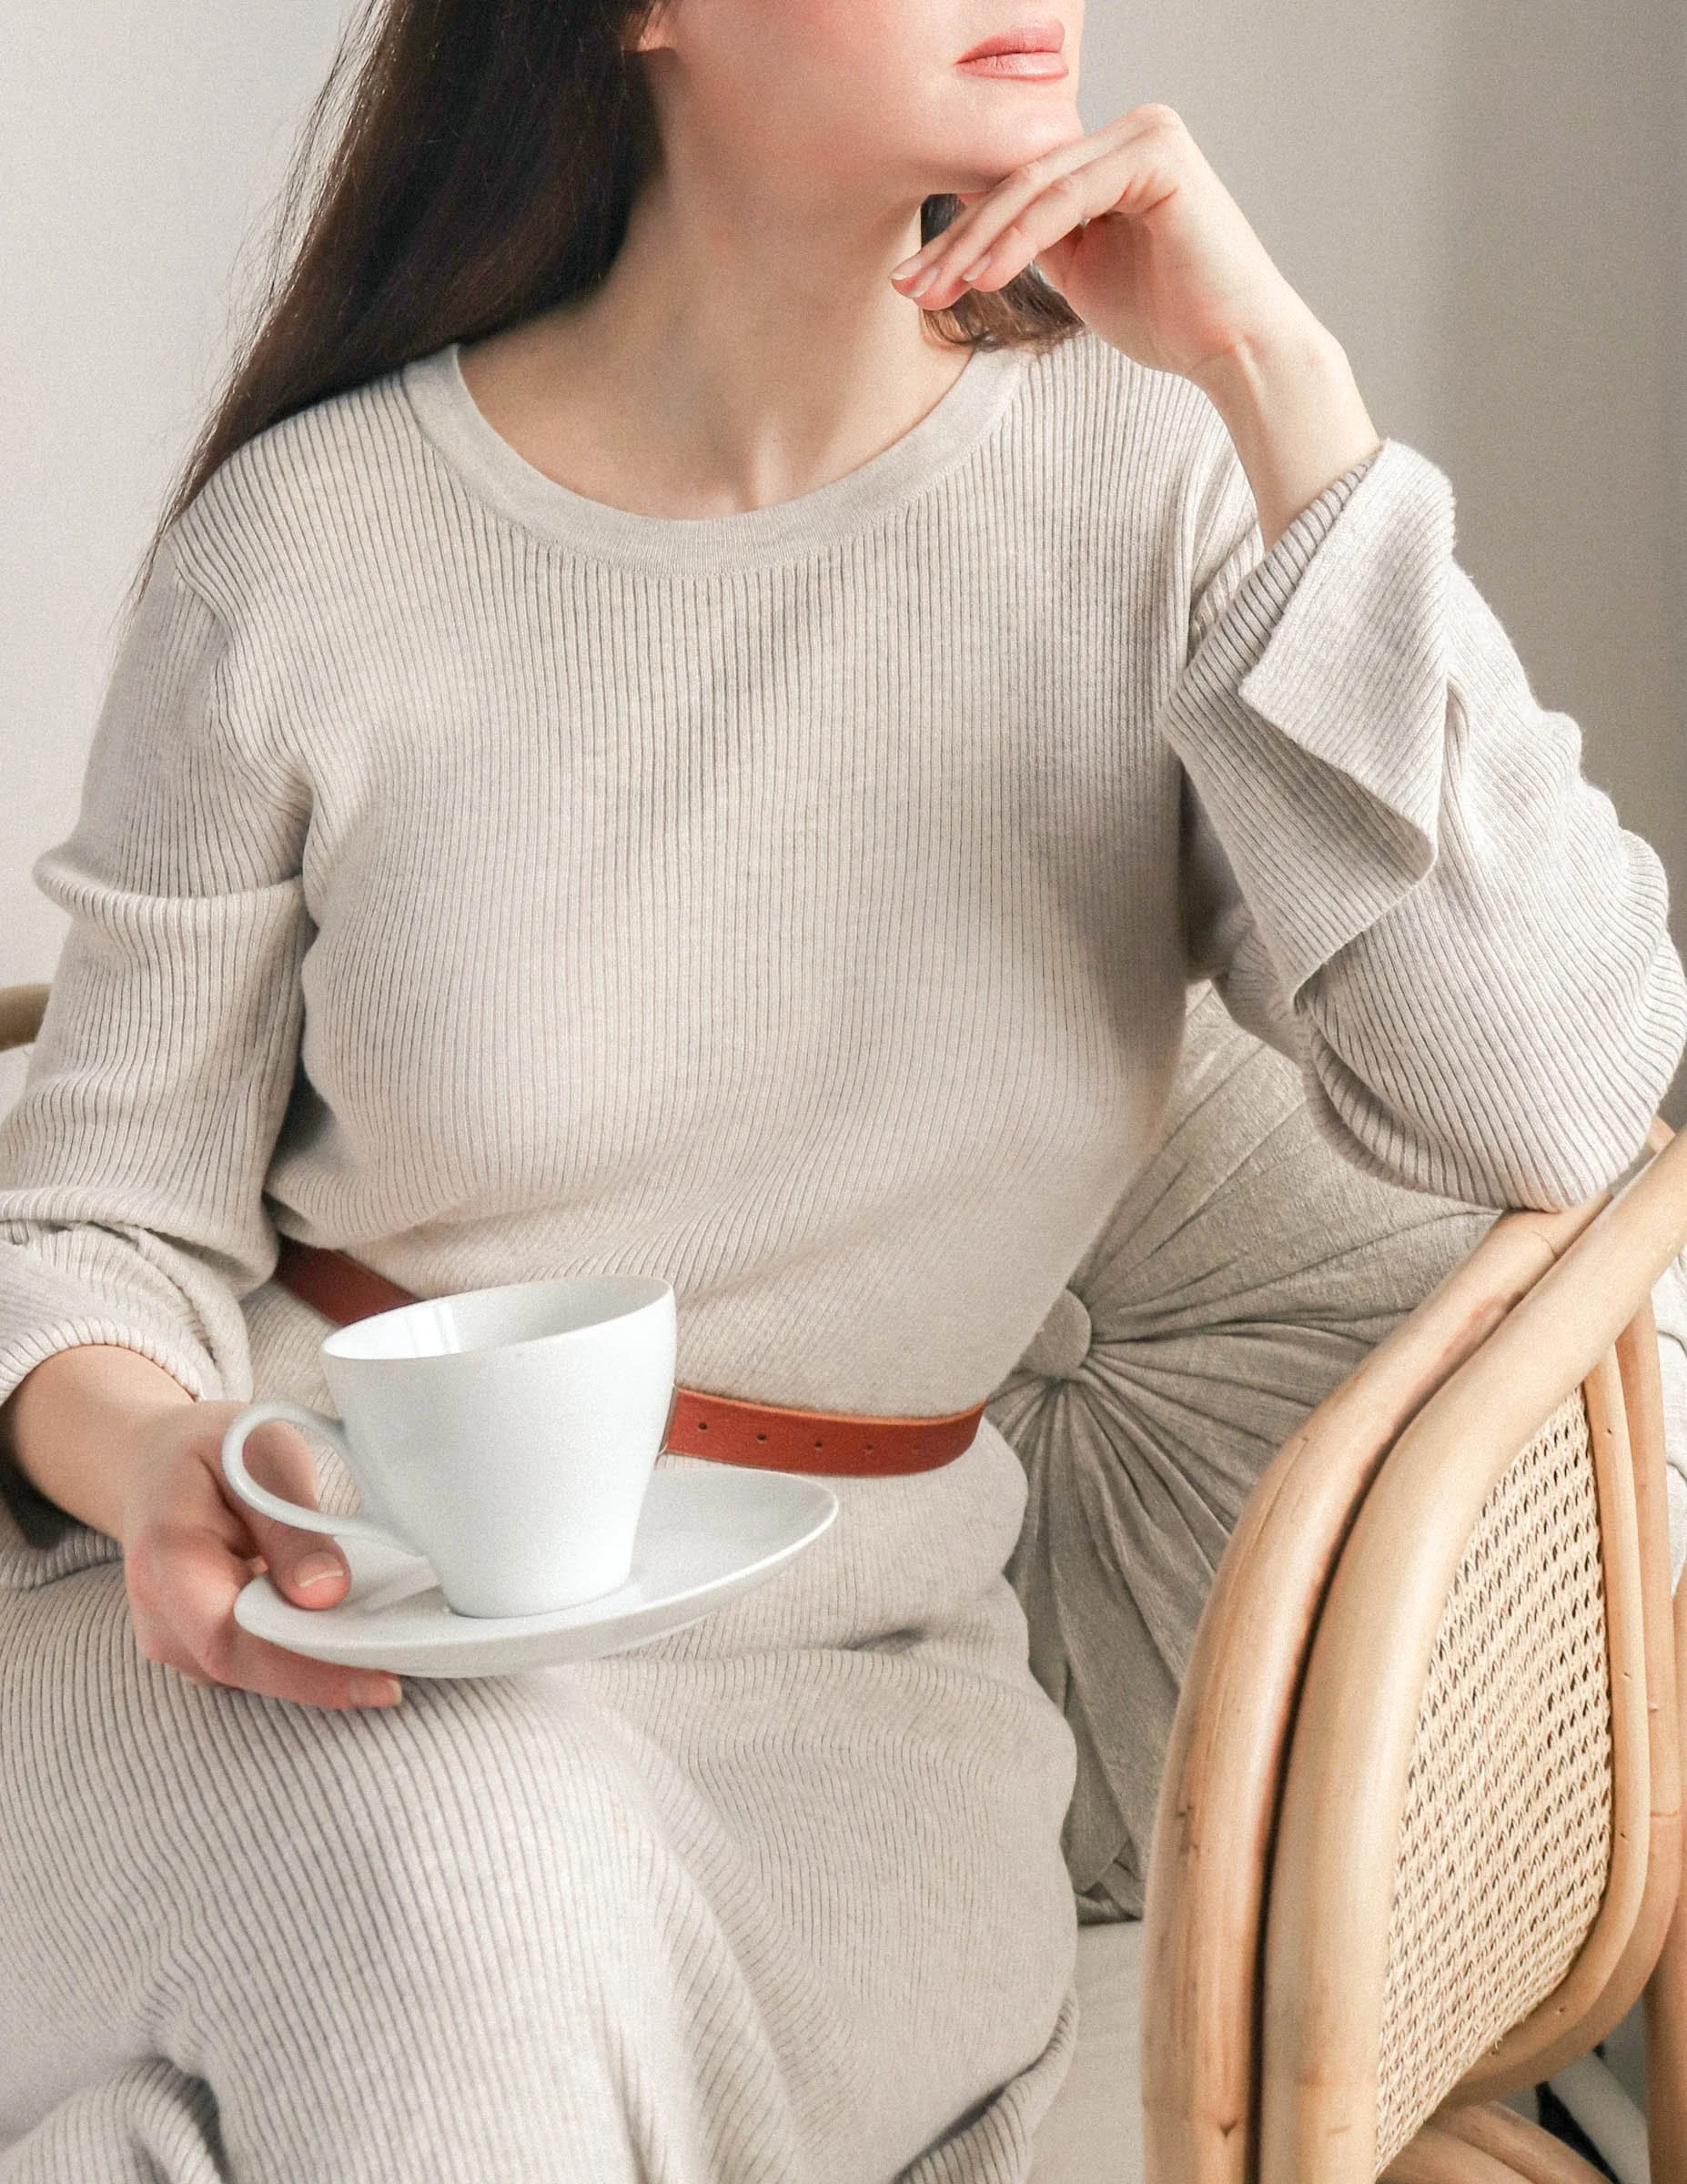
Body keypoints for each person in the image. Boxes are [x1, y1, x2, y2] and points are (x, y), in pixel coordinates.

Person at [0, 0, 1682, 2176]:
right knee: (452, 1878)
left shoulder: (1162, 498)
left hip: (852, 1752)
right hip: (272, 1675)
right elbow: (89, 1218)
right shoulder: (304, 551)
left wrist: (1290, 403)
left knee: (425, 1958)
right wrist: (152, 1459)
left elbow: (1555, 1091)